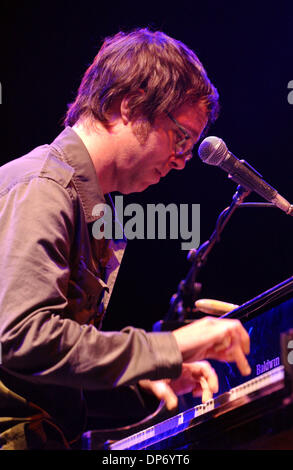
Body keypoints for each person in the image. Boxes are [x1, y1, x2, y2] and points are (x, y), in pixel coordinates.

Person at [0, 28, 251, 450]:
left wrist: (141, 375)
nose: (183, 161)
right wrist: (166, 346)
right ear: (129, 106)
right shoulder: (43, 186)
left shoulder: (91, 206)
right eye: (181, 137)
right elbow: (20, 337)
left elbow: (49, 372)